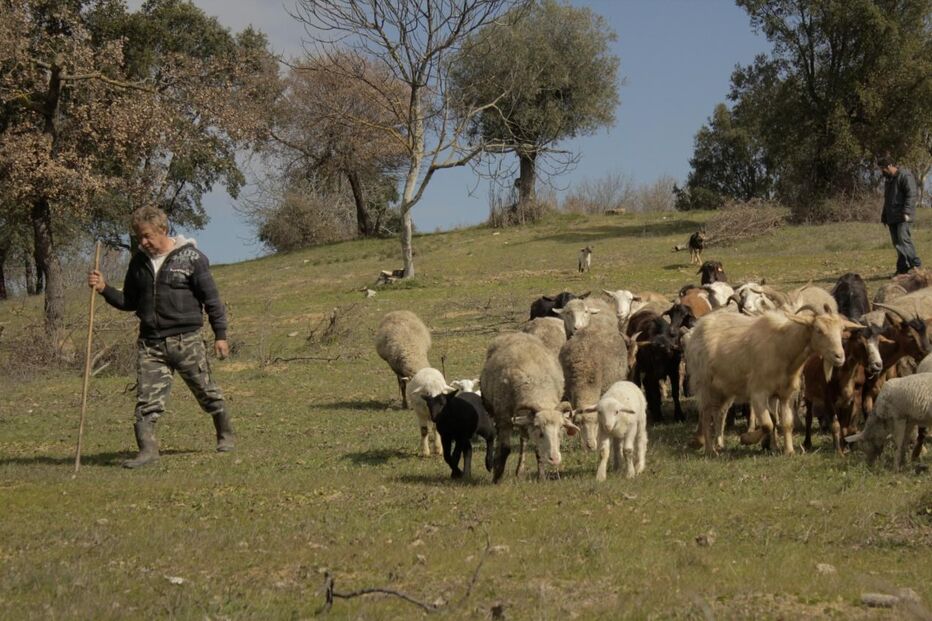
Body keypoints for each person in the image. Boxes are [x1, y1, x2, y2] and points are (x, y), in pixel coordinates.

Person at [88, 206, 235, 468]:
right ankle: (148, 451)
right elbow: (129, 302)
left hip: (186, 340)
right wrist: (104, 289)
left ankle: (225, 435)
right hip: (151, 343)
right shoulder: (138, 262)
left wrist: (220, 335)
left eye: (147, 236)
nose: (143, 242)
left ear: (162, 230)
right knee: (146, 401)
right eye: (139, 237)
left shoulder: (192, 257)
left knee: (207, 392)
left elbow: (211, 300)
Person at [879, 155, 921, 276]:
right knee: (897, 243)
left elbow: (911, 194)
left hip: (903, 216)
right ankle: (902, 269)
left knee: (904, 240)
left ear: (890, 166)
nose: (881, 172)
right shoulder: (888, 180)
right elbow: (887, 200)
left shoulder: (905, 175)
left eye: (882, 169)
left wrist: (907, 211)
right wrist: (884, 216)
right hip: (892, 217)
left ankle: (916, 266)